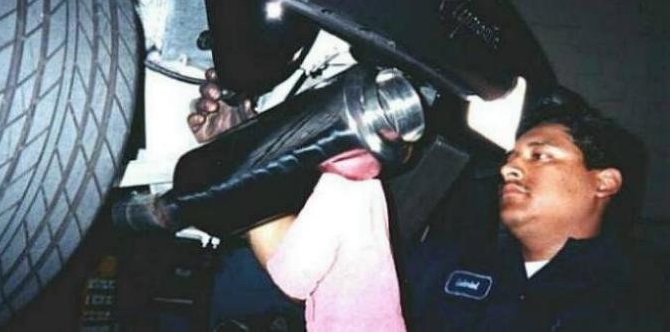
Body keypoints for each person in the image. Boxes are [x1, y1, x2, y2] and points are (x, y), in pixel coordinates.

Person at [402, 94, 659, 331]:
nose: (507, 169)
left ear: (604, 183)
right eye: (509, 158)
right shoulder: (440, 264)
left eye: (539, 156)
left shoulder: (642, 296)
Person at [188, 70, 406, 332]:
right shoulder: (354, 188)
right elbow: (298, 276)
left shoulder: (354, 188)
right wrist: (248, 156)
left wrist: (242, 156)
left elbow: (302, 277)